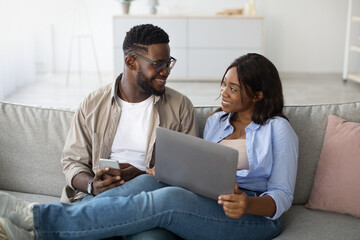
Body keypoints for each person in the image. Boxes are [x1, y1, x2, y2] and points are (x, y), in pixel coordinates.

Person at [0, 53, 298, 240]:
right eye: (223, 84)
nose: (223, 92)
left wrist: (248, 204)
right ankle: (37, 225)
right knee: (145, 182)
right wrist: (157, 171)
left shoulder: (278, 129)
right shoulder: (217, 122)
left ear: (258, 95)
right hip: (214, 202)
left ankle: (36, 220)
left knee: (168, 199)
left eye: (233, 88)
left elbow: (282, 196)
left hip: (255, 217)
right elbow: (204, 172)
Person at [57, 23, 197, 239]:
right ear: (130, 62)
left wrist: (141, 174)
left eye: (168, 63)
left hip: (151, 207)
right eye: (158, 64)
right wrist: (93, 185)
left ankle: (54, 222)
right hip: (101, 198)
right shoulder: (93, 104)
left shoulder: (180, 107)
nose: (166, 71)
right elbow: (72, 162)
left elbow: (188, 173)